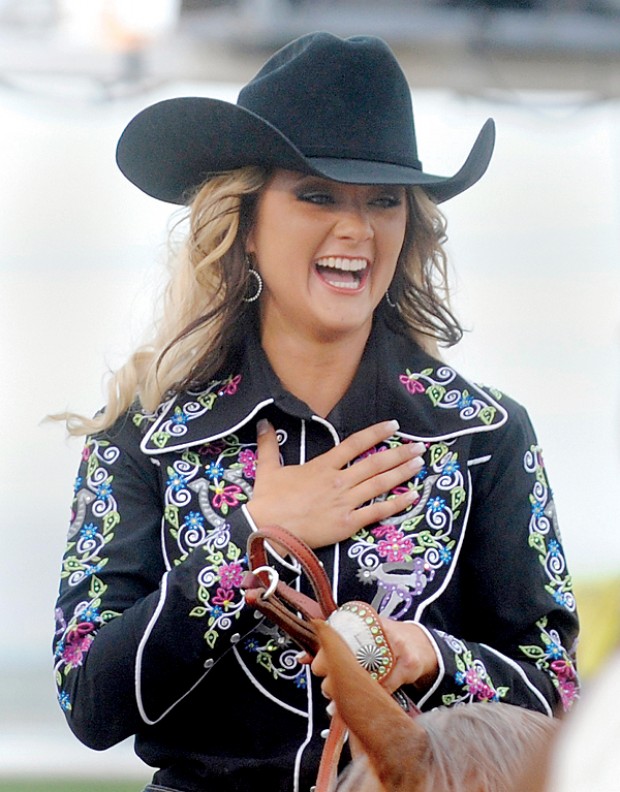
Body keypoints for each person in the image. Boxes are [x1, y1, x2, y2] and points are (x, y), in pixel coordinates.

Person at [52, 31, 579, 792]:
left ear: (411, 225)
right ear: (246, 224)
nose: (356, 229)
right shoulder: (142, 436)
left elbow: (561, 696)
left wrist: (430, 656)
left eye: (384, 201)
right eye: (317, 193)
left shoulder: (487, 435)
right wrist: (251, 540)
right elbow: (87, 700)